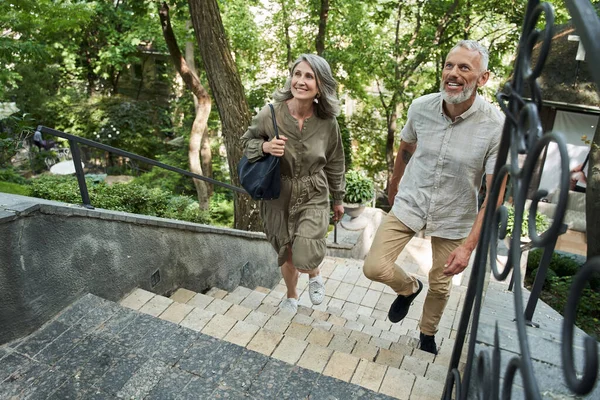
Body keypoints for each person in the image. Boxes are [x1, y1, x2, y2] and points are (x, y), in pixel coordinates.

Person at [363, 40, 505, 354]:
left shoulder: (496, 127)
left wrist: (469, 246)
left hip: (455, 215)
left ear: (483, 78)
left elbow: (495, 192)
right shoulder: (421, 107)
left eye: (464, 67)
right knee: (373, 267)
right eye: (449, 65)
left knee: (441, 286)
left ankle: (427, 333)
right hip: (411, 201)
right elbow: (406, 146)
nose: (452, 74)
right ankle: (409, 288)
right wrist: (395, 180)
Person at [241, 54, 346, 313]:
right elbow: (245, 143)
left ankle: (315, 272)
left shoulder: (328, 122)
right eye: (297, 74)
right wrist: (265, 146)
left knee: (305, 251)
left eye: (309, 76)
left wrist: (338, 198)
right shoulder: (270, 114)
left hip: (313, 191)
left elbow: (335, 161)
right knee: (286, 251)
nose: (301, 81)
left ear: (320, 85)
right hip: (279, 193)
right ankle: (291, 295)